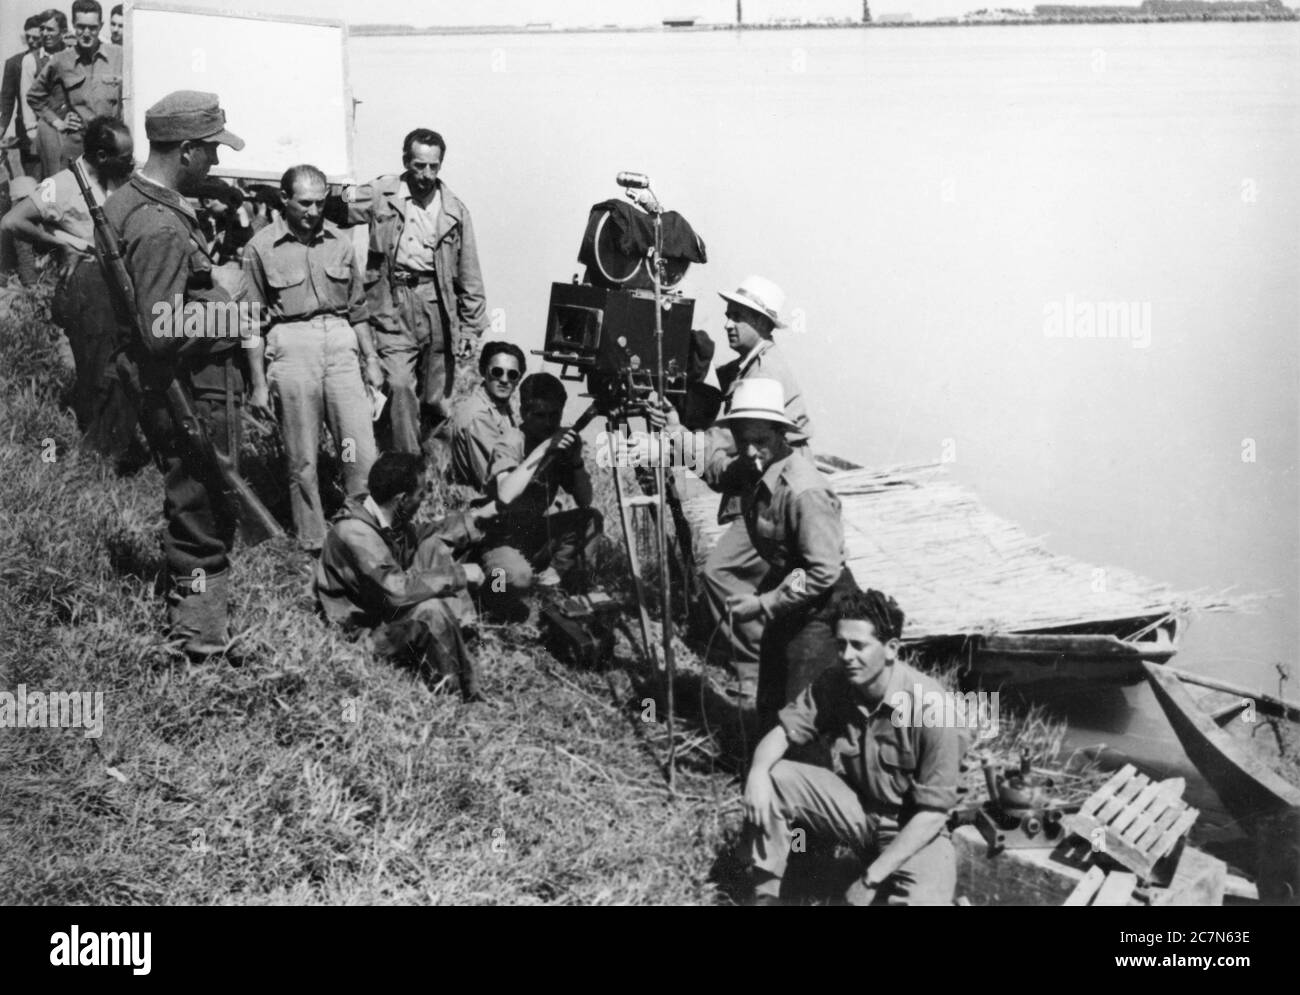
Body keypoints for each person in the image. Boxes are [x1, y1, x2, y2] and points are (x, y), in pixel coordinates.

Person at [102, 89, 248, 658]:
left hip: (161, 381)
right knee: (201, 506)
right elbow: (161, 330)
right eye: (211, 152)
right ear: (186, 150)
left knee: (194, 499)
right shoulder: (160, 226)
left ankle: (198, 628)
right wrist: (229, 308)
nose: (215, 163)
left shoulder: (127, 201)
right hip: (181, 386)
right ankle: (198, 641)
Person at [744, 588, 972, 906]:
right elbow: (782, 732)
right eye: (841, 645)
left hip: (914, 831)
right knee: (774, 775)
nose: (847, 656)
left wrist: (868, 880)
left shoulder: (934, 709)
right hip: (859, 812)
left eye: (859, 646)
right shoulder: (837, 682)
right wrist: (756, 772)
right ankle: (766, 897)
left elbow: (932, 815)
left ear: (891, 649)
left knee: (925, 901)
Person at [647, 276, 813, 688]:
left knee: (721, 573)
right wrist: (677, 431)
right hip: (773, 492)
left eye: (737, 316)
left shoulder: (762, 375)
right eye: (728, 315)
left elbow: (729, 458)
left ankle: (758, 675)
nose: (727, 324)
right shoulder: (754, 367)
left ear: (762, 320)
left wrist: (676, 438)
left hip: (774, 495)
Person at [242, 163, 382, 555]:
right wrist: (257, 384)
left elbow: (357, 309)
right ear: (284, 200)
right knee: (302, 455)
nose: (313, 211)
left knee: (357, 446)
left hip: (340, 343)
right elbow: (250, 321)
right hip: (291, 343)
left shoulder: (339, 242)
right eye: (304, 203)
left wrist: (370, 359)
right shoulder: (260, 248)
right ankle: (311, 541)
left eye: (320, 203)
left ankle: (363, 534)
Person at [332, 127, 488, 458]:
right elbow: (339, 206)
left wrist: (471, 327)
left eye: (434, 166)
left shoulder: (455, 211)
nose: (426, 175)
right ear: (406, 161)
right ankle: (403, 469)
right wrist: (324, 189)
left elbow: (469, 272)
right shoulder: (380, 192)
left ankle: (429, 470)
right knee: (399, 385)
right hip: (391, 301)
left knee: (435, 400)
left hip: (437, 305)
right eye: (419, 166)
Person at [710, 377, 855, 728]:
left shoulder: (804, 491)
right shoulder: (751, 467)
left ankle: (804, 773)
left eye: (759, 442)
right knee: (771, 696)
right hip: (789, 586)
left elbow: (822, 570)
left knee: (801, 709)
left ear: (780, 434)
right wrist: (671, 427)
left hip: (823, 600)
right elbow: (716, 473)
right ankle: (761, 766)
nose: (750, 451)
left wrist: (763, 603)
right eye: (742, 441)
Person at [0, 115, 136, 456]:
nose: (131, 163)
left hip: (117, 284)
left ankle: (111, 442)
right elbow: (13, 221)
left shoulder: (117, 180)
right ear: (102, 156)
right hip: (86, 287)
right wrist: (59, 242)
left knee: (119, 363)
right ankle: (92, 451)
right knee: (96, 368)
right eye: (124, 156)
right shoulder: (61, 184)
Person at [315, 452, 491, 702]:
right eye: (420, 494)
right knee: (430, 610)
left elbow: (423, 535)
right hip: (362, 634)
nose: (424, 499)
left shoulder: (382, 513)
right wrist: (460, 573)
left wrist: (475, 520)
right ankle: (458, 694)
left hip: (381, 608)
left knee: (432, 546)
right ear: (401, 499)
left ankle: (463, 636)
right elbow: (397, 591)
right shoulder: (356, 534)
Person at [481, 372, 603, 608]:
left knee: (591, 519)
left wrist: (576, 461)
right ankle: (491, 598)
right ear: (524, 413)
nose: (548, 423)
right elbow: (506, 494)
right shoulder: (512, 440)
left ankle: (561, 584)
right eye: (539, 416)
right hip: (498, 537)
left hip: (535, 534)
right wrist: (546, 448)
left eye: (554, 415)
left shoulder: (561, 444)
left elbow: (585, 500)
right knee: (509, 582)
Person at [28, 1, 123, 171]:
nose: (86, 33)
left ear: (101, 26)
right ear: (73, 25)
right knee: (73, 196)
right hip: (77, 149)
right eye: (81, 27)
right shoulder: (61, 60)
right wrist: (58, 122)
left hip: (110, 148)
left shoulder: (119, 55)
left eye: (92, 28)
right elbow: (34, 96)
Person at [0, 15, 47, 286]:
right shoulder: (14, 63)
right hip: (25, 139)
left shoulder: (50, 59)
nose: (32, 40)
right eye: (27, 37)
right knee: (28, 194)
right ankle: (27, 271)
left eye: (35, 36)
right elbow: (7, 101)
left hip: (49, 136)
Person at [446, 340, 524, 501]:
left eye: (512, 374)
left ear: (518, 379)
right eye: (497, 372)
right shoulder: (478, 416)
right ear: (483, 371)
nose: (504, 379)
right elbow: (493, 482)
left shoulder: (500, 408)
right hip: (482, 506)